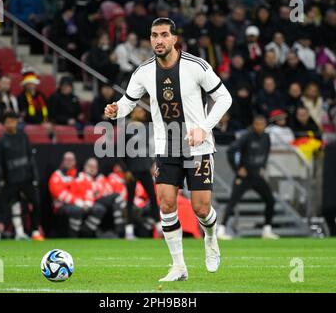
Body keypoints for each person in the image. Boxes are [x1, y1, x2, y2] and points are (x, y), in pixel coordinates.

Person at [105, 18, 232, 281]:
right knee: (166, 204)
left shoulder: (196, 66)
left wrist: (204, 127)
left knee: (201, 209)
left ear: (174, 39)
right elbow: (129, 102)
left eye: (164, 35)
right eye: (154, 35)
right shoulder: (143, 71)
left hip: (197, 146)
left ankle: (210, 237)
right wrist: (116, 109)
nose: (158, 40)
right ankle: (178, 267)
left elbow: (224, 98)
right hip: (166, 146)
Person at [0, 112, 45, 242]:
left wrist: (35, 177)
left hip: (26, 179)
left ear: (16, 122)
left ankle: (35, 231)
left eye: (13, 121)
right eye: (8, 121)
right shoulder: (1, 141)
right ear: (4, 124)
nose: (11, 124)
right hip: (10, 181)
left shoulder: (23, 137)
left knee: (36, 203)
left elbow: (30, 158)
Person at [218, 115, 278, 240]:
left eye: (262, 124)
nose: (260, 127)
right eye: (257, 124)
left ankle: (267, 230)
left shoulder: (266, 137)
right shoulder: (246, 137)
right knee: (232, 202)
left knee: (270, 200)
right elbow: (231, 150)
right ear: (254, 124)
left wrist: (263, 166)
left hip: (257, 175)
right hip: (244, 177)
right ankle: (221, 230)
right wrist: (237, 168)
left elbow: (266, 152)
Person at [122, 105, 160, 240]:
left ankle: (158, 226)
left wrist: (151, 163)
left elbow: (149, 147)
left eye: (143, 111)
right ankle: (129, 230)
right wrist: (126, 169)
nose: (142, 113)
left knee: (153, 197)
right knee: (130, 199)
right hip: (132, 169)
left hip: (144, 168)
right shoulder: (126, 127)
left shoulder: (146, 128)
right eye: (139, 110)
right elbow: (120, 151)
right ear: (133, 112)